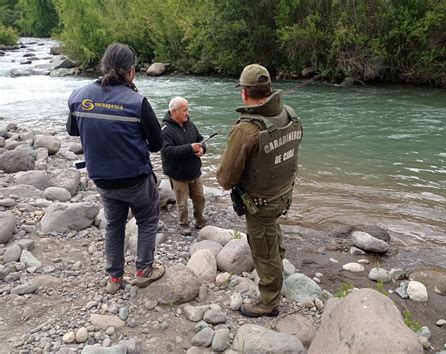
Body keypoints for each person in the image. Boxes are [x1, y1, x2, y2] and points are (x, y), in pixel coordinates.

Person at [67, 43, 165, 294]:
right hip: (135, 179)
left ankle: (114, 278)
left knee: (114, 224)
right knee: (147, 220)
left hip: (102, 179)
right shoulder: (137, 102)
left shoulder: (79, 96)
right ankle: (143, 271)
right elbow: (156, 144)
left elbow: (72, 130)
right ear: (130, 70)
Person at [216, 64, 303, 317]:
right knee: (271, 230)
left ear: (244, 93)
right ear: (269, 88)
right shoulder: (291, 114)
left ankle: (268, 301)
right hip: (283, 193)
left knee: (262, 249)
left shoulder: (246, 129)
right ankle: (278, 262)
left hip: (260, 201)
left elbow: (225, 178)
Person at [161, 96, 207, 236]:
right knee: (182, 203)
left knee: (200, 199)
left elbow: (200, 139)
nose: (187, 113)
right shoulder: (164, 129)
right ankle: (184, 224)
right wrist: (190, 148)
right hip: (178, 174)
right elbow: (168, 151)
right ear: (174, 112)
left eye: (187, 110)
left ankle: (200, 220)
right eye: (184, 110)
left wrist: (202, 149)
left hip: (194, 171)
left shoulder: (189, 124)